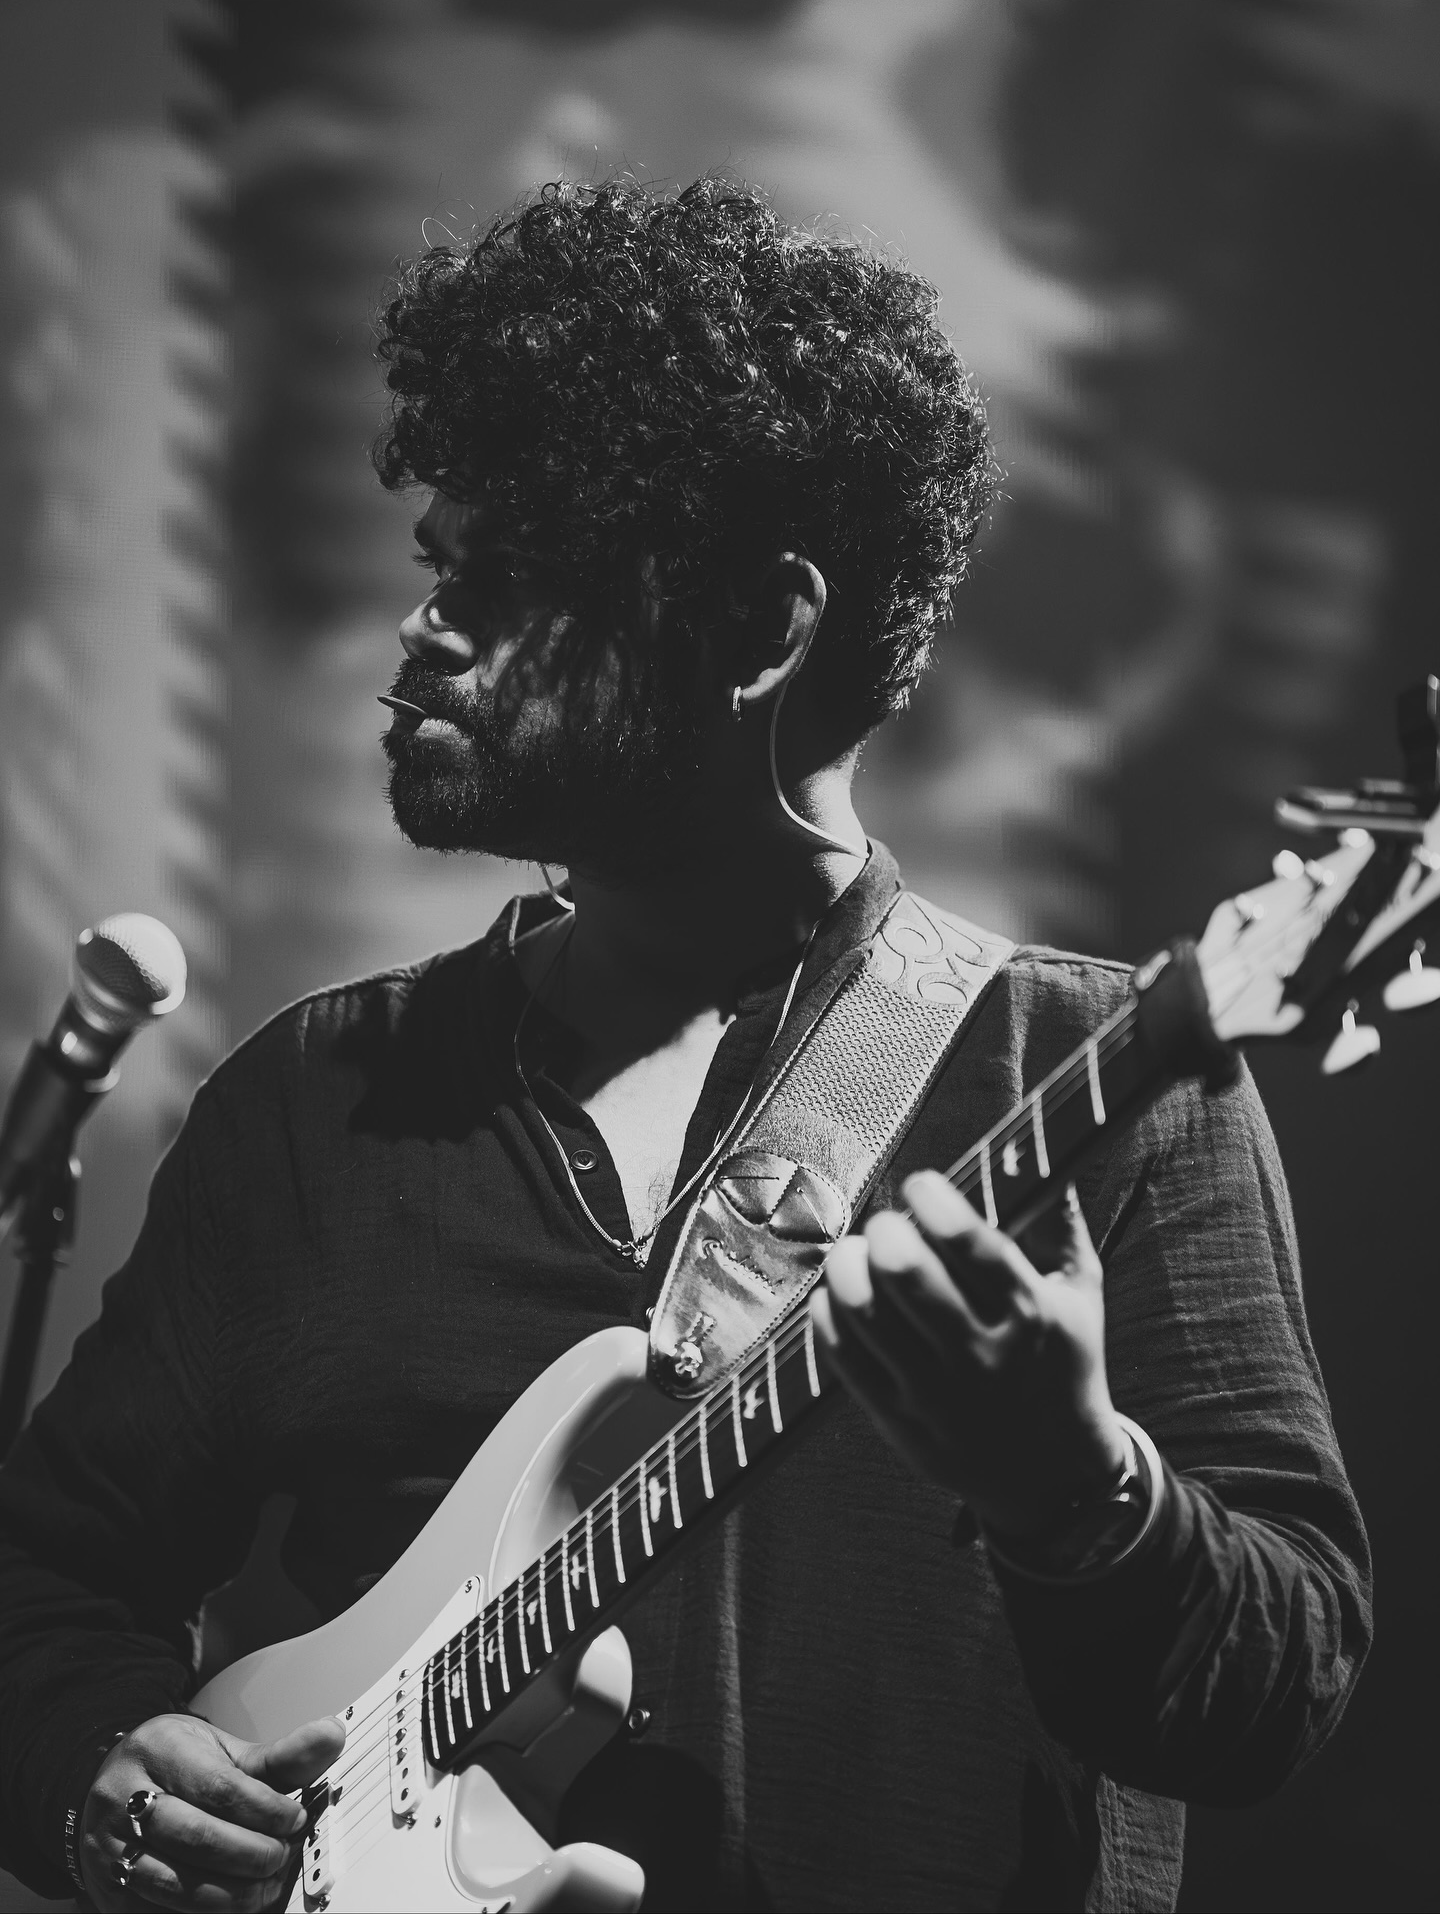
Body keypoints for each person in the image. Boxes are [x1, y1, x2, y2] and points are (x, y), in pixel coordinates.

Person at [0, 177, 1368, 1913]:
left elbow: (1278, 1692)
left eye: (502, 583)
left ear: (754, 627)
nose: (427, 631)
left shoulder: (1100, 1081)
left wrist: (1074, 1485)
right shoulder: (311, 1101)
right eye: (442, 571)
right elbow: (40, 1590)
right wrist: (97, 1776)